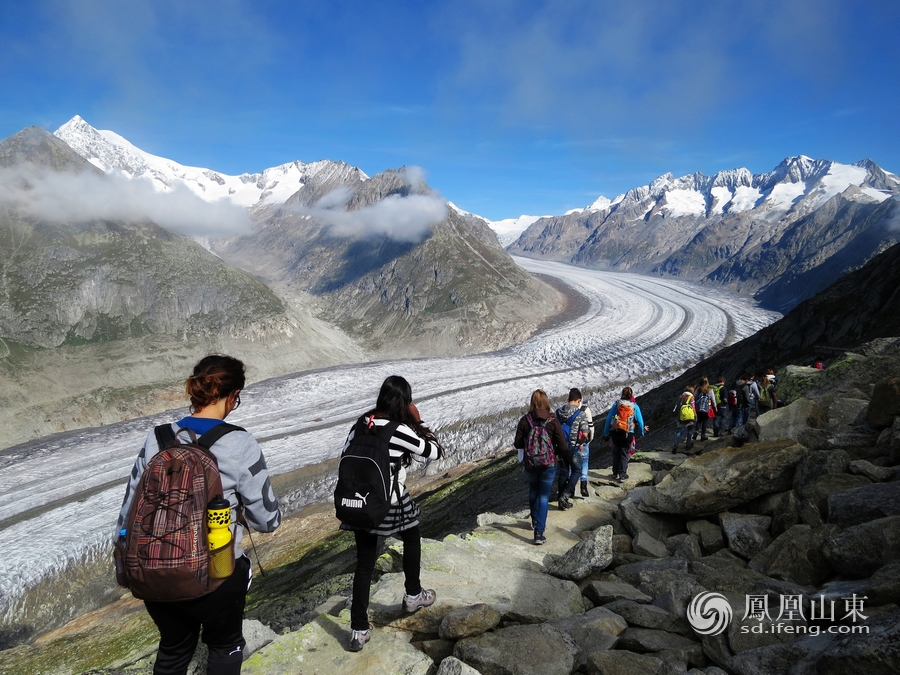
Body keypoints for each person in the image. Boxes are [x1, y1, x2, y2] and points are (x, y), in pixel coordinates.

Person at [117, 355, 281, 675]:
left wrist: (128, 562)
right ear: (233, 396)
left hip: (155, 574)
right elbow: (267, 519)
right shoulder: (239, 442)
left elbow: (128, 513)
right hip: (217, 574)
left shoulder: (158, 437)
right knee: (225, 645)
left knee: (174, 649)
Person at [342, 375, 445, 653]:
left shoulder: (362, 423)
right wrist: (419, 422)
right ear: (404, 400)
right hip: (391, 502)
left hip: (361, 504)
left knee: (364, 563)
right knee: (412, 537)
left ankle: (358, 629)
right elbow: (434, 452)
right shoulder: (400, 428)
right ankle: (413, 595)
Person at [515, 389, 570, 546]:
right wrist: (555, 452)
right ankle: (539, 533)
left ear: (532, 402)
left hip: (531, 463)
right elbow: (563, 445)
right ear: (546, 402)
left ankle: (534, 518)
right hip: (549, 463)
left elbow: (517, 443)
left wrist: (529, 443)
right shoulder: (552, 420)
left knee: (533, 491)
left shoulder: (525, 420)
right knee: (544, 496)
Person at [554, 388, 594, 501]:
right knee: (577, 469)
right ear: (578, 400)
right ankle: (566, 494)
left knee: (563, 473)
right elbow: (586, 433)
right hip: (573, 448)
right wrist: (581, 443)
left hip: (560, 448)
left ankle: (560, 498)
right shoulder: (580, 414)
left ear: (568, 400)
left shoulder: (558, 412)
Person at [603, 387, 647, 481]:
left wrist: (606, 433)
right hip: (628, 433)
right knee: (624, 453)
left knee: (616, 451)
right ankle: (622, 474)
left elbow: (608, 419)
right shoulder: (634, 406)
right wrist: (641, 432)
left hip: (616, 432)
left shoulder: (617, 404)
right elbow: (640, 421)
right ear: (631, 395)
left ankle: (615, 473)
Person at [672, 384, 696, 453]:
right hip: (690, 417)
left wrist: (679, 416)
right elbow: (693, 408)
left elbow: (677, 407)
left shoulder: (680, 397)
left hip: (681, 417)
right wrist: (695, 416)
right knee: (690, 431)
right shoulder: (691, 397)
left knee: (679, 431)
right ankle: (688, 445)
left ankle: (675, 446)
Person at [692, 377, 717, 442]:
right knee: (705, 421)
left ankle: (696, 432)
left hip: (699, 408)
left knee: (699, 420)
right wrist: (715, 407)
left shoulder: (698, 389)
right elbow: (713, 400)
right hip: (706, 408)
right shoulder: (710, 390)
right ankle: (703, 435)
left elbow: (694, 397)